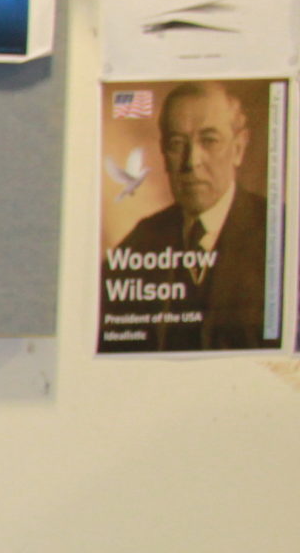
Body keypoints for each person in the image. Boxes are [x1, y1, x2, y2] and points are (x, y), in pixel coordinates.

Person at [108, 80, 270, 352]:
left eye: (209, 140)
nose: (191, 161)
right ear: (163, 154)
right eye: (177, 143)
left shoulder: (282, 234)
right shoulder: (140, 241)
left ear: (239, 148)